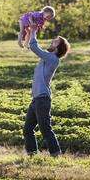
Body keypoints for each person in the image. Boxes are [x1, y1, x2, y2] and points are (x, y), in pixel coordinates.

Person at [23, 22, 70, 157]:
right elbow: (33, 45)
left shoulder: (53, 59)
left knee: (45, 130)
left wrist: (33, 31)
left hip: (42, 99)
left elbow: (34, 47)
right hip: (36, 99)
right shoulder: (47, 58)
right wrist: (32, 31)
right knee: (27, 129)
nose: (51, 41)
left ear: (58, 48)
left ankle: (55, 154)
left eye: (54, 41)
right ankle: (32, 154)